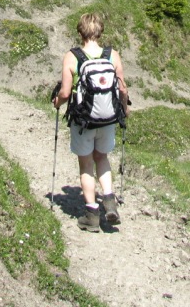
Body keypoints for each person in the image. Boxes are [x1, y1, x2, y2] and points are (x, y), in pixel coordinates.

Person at [52, 13, 129, 232]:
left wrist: (57, 102)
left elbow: (66, 92)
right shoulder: (112, 55)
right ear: (100, 31)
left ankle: (91, 214)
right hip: (107, 119)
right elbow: (122, 88)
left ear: (80, 32)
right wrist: (124, 110)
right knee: (102, 158)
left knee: (86, 164)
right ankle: (109, 200)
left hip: (84, 120)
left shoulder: (72, 56)